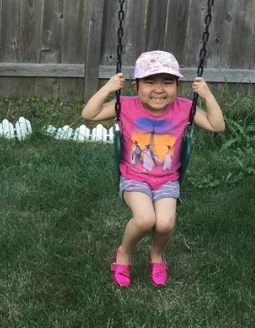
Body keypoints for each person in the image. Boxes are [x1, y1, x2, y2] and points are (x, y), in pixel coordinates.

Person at [81, 50, 225, 288]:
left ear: (177, 87)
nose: (159, 89)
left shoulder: (184, 108)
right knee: (146, 219)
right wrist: (108, 88)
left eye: (168, 82)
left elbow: (216, 125)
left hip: (167, 180)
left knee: (166, 223)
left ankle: (156, 253)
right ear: (136, 87)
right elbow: (89, 114)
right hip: (134, 178)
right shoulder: (125, 106)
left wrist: (208, 96)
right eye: (150, 81)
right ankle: (124, 253)